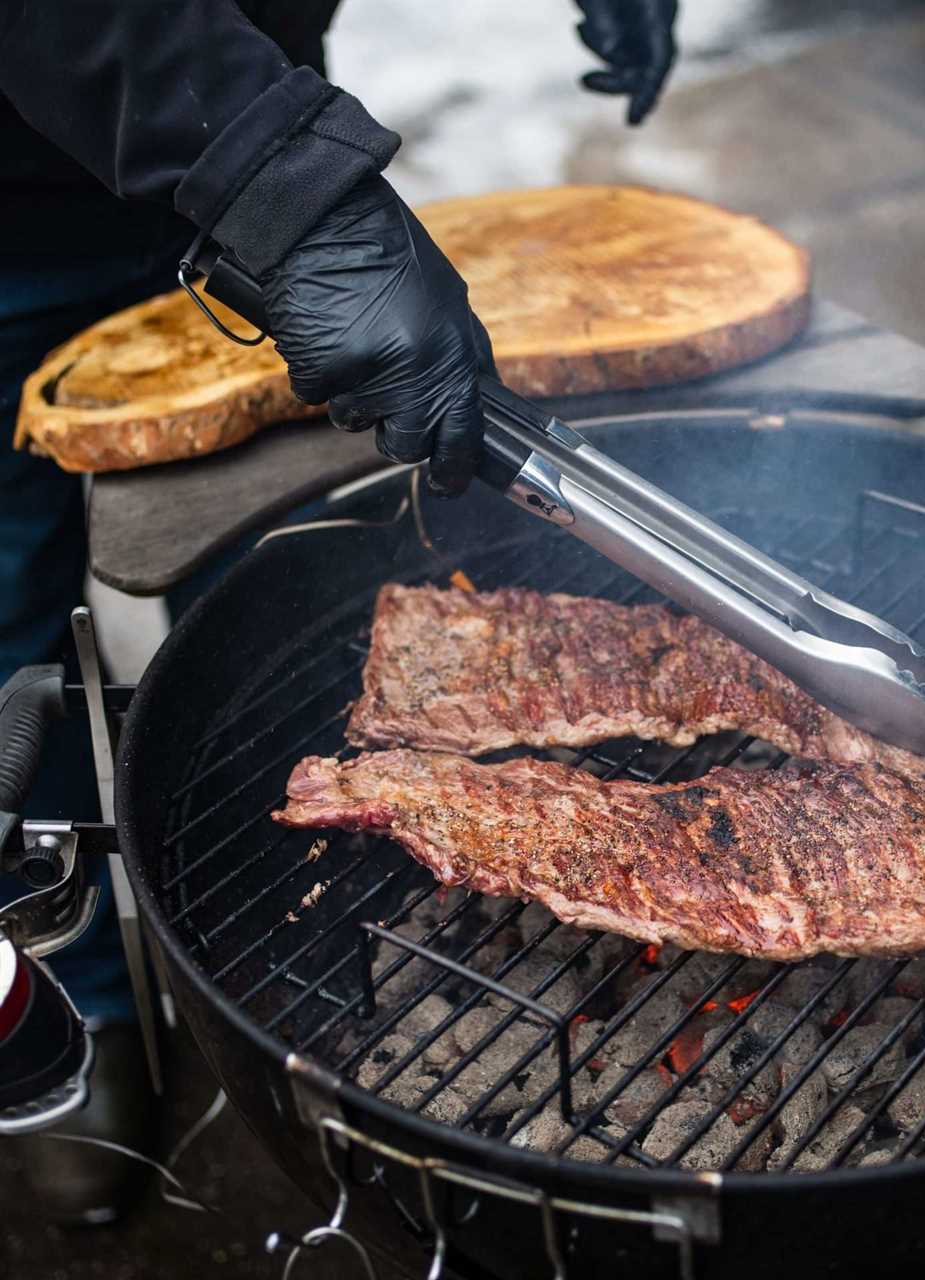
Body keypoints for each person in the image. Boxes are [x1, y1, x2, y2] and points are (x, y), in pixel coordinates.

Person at [0, 0, 678, 1225]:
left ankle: (289, 932)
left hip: (222, 100)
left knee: (265, 602)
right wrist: (289, 189)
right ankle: (74, 1007)